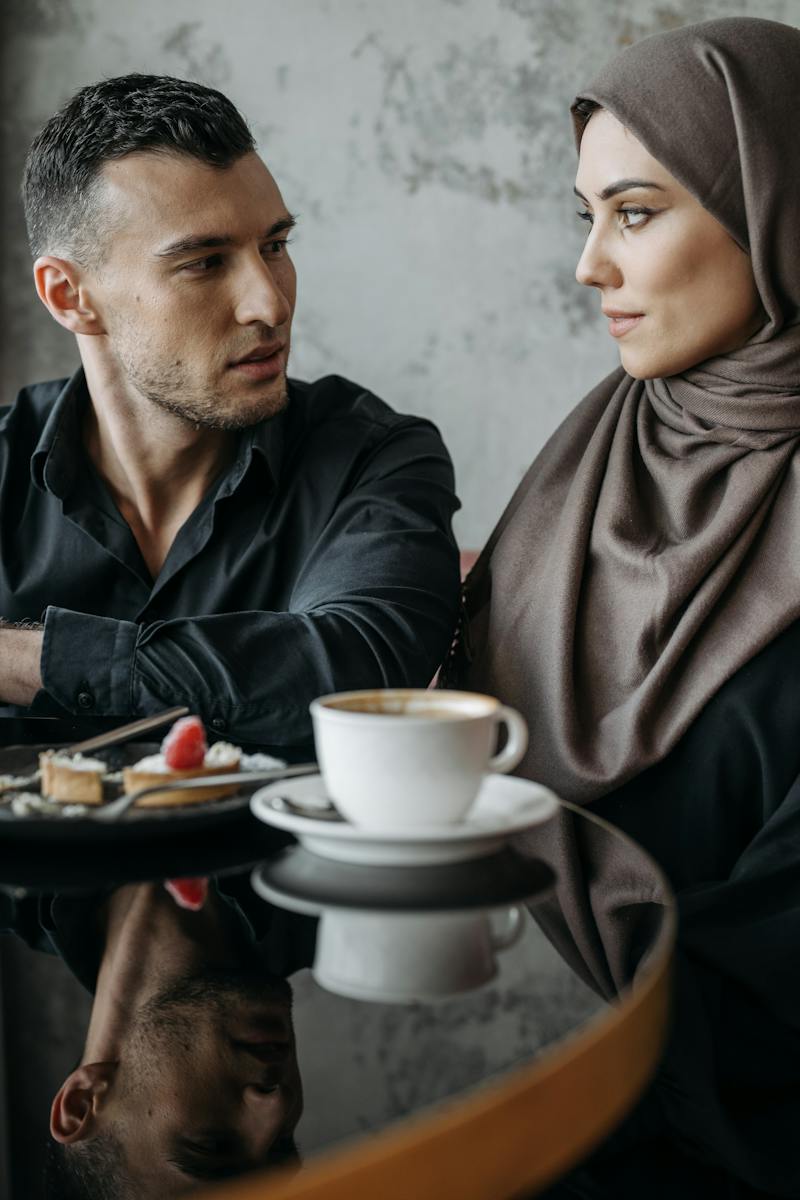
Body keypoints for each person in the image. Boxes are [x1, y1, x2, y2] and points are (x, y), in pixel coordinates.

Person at [449, 17, 800, 1199]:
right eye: (584, 216)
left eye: (636, 212)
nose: (590, 265)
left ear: (771, 210)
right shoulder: (597, 469)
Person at [0, 75, 460, 750]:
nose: (269, 305)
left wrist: (24, 659)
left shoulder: (373, 457)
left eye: (274, 246)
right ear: (69, 296)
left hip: (273, 859)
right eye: (205, 262)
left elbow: (360, 675)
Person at [20, 875, 311, 1197]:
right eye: (282, 1145)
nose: (276, 1105)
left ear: (83, 1101)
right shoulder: (351, 895)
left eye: (211, 1146)